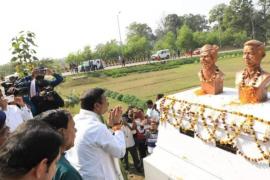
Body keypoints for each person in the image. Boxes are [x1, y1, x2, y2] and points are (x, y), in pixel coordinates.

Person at [66, 88, 126, 180]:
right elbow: (120, 151)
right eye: (106, 101)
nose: (108, 104)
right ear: (97, 106)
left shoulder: (76, 120)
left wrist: (110, 128)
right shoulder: (95, 127)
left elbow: (98, 141)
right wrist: (117, 126)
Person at [34, 109, 82, 180]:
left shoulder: (36, 162)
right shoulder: (67, 173)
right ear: (62, 132)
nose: (75, 130)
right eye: (73, 126)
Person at [121, 107, 141, 172]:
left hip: (131, 144)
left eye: (125, 119)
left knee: (135, 157)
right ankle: (127, 168)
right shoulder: (119, 127)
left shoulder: (130, 124)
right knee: (125, 158)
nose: (124, 120)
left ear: (126, 120)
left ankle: (137, 167)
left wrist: (128, 126)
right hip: (124, 146)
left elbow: (134, 132)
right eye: (122, 119)